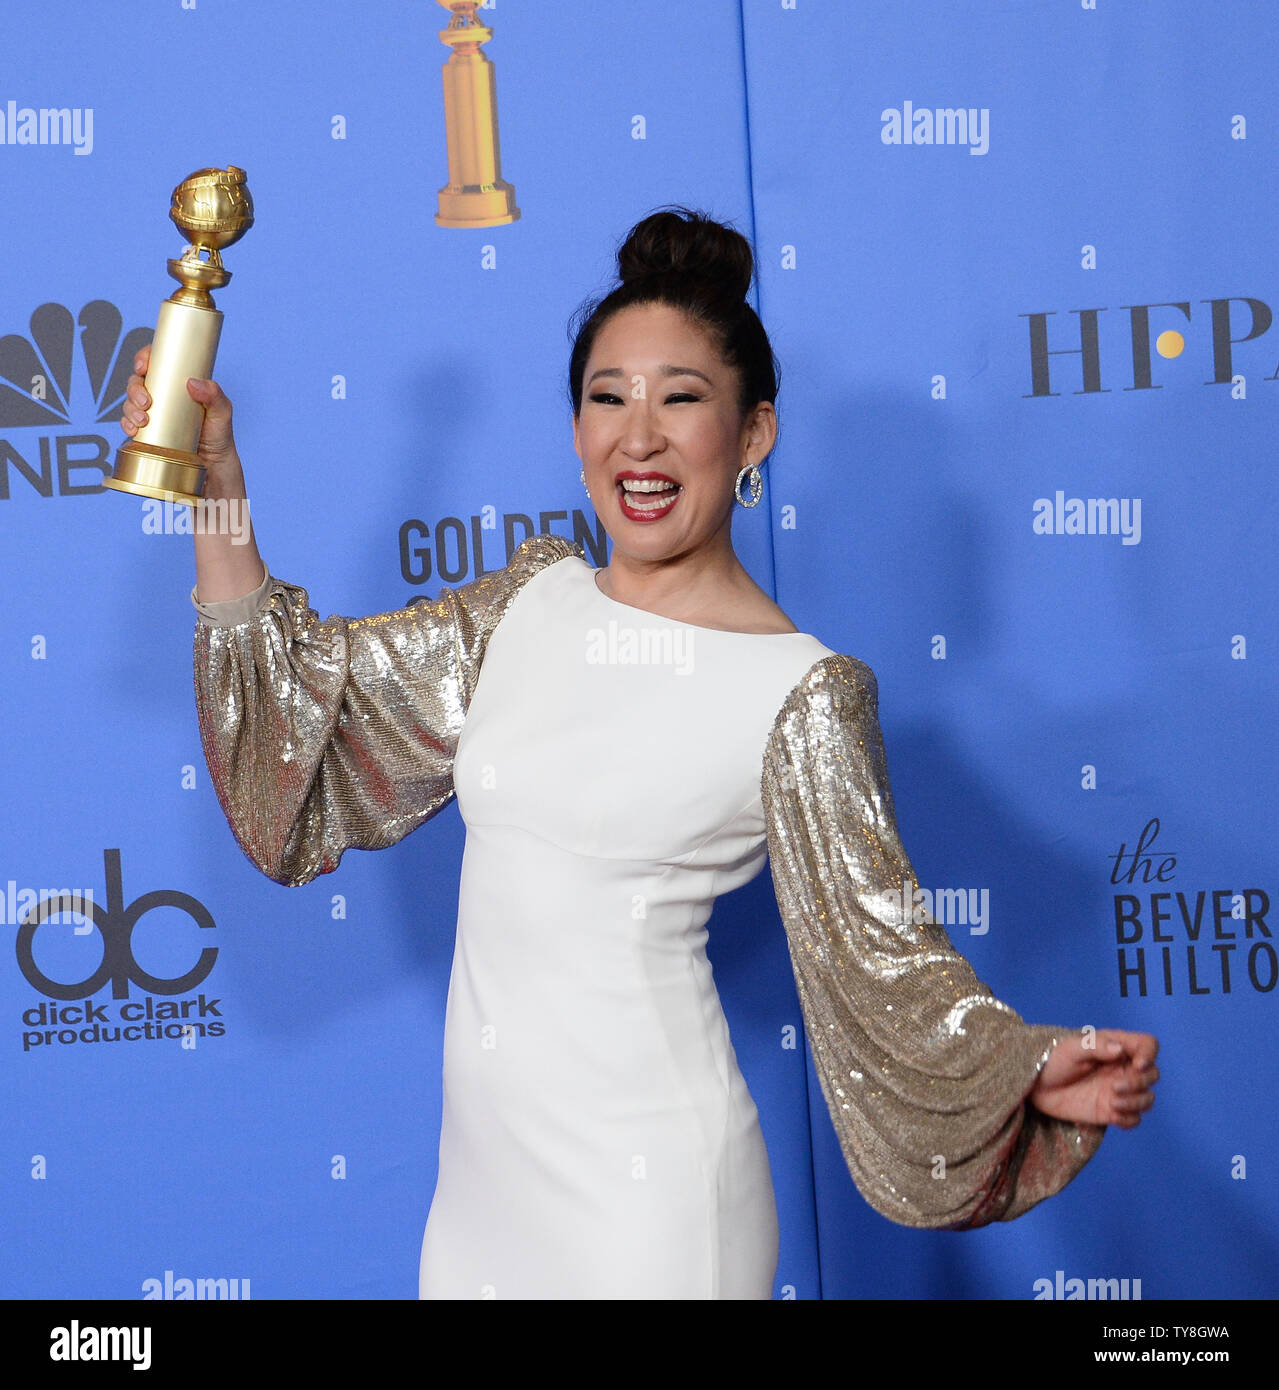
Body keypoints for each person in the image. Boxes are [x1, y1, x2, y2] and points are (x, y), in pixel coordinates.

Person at [122, 207, 1158, 1300]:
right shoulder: (523, 605)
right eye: (608, 398)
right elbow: (298, 732)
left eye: (682, 399)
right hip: (480, 1203)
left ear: (754, 433)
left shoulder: (800, 692)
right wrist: (218, 490)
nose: (639, 436)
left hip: (654, 1207)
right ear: (575, 431)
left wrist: (1024, 1068)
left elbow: (882, 956)